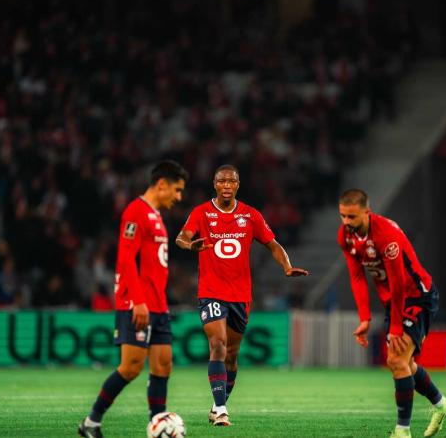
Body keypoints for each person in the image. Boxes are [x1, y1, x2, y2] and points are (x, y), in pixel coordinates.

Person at [175, 164, 308, 426]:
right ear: (214, 184)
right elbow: (181, 237)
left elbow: (273, 244)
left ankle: (216, 404)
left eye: (231, 181)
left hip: (240, 294)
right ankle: (222, 410)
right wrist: (191, 245)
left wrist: (287, 266)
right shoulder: (201, 212)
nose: (226, 185)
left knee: (232, 356)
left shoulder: (250, 215)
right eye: (221, 181)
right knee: (218, 344)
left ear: (238, 185)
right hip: (211, 292)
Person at [79, 161, 189, 438]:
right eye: (177, 190)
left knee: (164, 363)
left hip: (158, 303)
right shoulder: (135, 212)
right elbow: (126, 258)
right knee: (131, 367)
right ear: (161, 184)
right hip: (136, 302)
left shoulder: (157, 217)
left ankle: (156, 424)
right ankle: (91, 422)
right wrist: (138, 301)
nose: (179, 197)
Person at [337, 189, 446, 438]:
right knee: (403, 362)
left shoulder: (386, 235)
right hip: (395, 300)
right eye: (343, 217)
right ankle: (441, 403)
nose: (346, 223)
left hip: (417, 295)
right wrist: (365, 317)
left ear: (366, 213)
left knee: (396, 360)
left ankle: (403, 431)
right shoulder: (345, 237)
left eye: (352, 217)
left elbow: (399, 281)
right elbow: (357, 276)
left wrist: (395, 328)